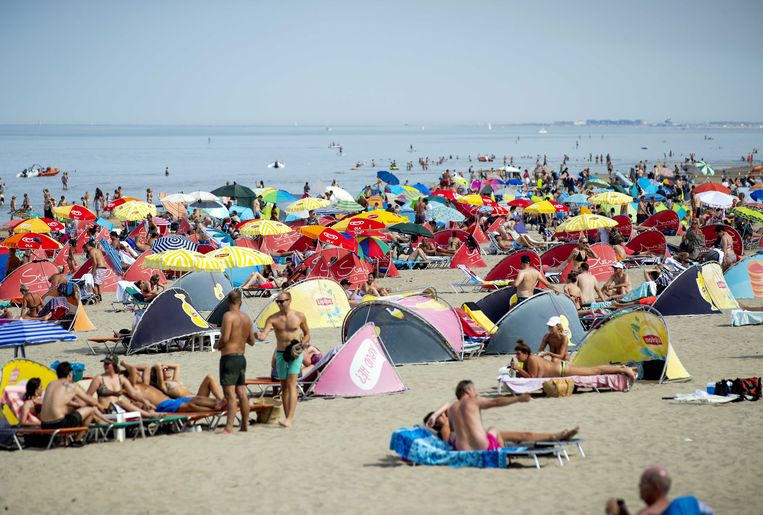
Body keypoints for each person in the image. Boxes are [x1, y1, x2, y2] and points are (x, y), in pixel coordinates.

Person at [446, 380, 578, 451]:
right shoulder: (473, 401)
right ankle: (504, 456)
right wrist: (518, 399)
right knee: (494, 429)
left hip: (462, 450)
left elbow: (452, 433)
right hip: (483, 447)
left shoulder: (451, 409)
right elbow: (496, 402)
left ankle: (556, 436)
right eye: (474, 390)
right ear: (468, 390)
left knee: (518, 435)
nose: (476, 393)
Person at [425, 396, 578, 446]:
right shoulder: (445, 427)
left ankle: (555, 436)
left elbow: (451, 402)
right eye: (439, 416)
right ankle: (556, 437)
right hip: (481, 440)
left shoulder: (449, 419)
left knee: (522, 435)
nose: (442, 414)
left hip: (482, 435)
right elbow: (449, 446)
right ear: (436, 423)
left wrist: (436, 414)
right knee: (521, 436)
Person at [255, 291, 310, 428]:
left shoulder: (299, 316)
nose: (280, 304)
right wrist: (258, 336)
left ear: (289, 300)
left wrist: (302, 344)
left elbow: (308, 333)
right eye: (277, 302)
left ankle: (289, 418)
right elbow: (263, 335)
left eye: (282, 301)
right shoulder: (272, 318)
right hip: (281, 354)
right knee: (284, 388)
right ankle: (287, 418)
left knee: (292, 385)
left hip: (295, 353)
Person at [214, 290, 255, 433]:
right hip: (241, 358)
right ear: (241, 302)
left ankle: (229, 427)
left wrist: (216, 345)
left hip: (229, 357)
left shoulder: (228, 316)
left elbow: (225, 338)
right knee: (242, 392)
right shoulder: (247, 318)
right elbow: (252, 341)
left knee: (230, 395)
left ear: (227, 302)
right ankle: (244, 425)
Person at [40, 362, 110, 440]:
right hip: (59, 424)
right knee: (91, 411)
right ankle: (77, 440)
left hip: (44, 425)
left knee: (76, 410)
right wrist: (100, 406)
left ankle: (70, 439)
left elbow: (61, 403)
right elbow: (90, 400)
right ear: (70, 374)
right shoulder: (71, 386)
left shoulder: (50, 384)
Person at [606, 466, 714, 515]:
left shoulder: (647, 513)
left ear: (656, 487)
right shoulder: (692, 506)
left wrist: (611, 513)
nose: (639, 487)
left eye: (643, 484)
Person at [512, 341, 636, 381]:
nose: (517, 357)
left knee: (596, 371)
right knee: (594, 369)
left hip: (564, 370)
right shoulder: (531, 359)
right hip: (562, 369)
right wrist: (518, 370)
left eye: (518, 354)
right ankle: (620, 368)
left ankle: (623, 369)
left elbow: (533, 378)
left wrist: (518, 369)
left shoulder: (532, 360)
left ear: (526, 353)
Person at [86, 355, 158, 418]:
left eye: (107, 364)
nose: (105, 366)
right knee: (121, 402)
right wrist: (97, 406)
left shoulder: (121, 379)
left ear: (114, 365)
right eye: (104, 363)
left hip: (119, 409)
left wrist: (145, 401)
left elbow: (134, 394)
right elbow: (88, 395)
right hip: (105, 410)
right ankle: (149, 416)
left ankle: (155, 416)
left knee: (140, 405)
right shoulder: (99, 379)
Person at [152, 362, 223, 402]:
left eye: (168, 369)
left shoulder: (175, 381)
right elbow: (158, 366)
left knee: (210, 378)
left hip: (196, 397)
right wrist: (159, 366)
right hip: (191, 402)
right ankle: (223, 401)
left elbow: (177, 366)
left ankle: (222, 400)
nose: (167, 370)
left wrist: (164, 364)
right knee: (209, 377)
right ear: (159, 373)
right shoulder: (164, 385)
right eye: (164, 370)